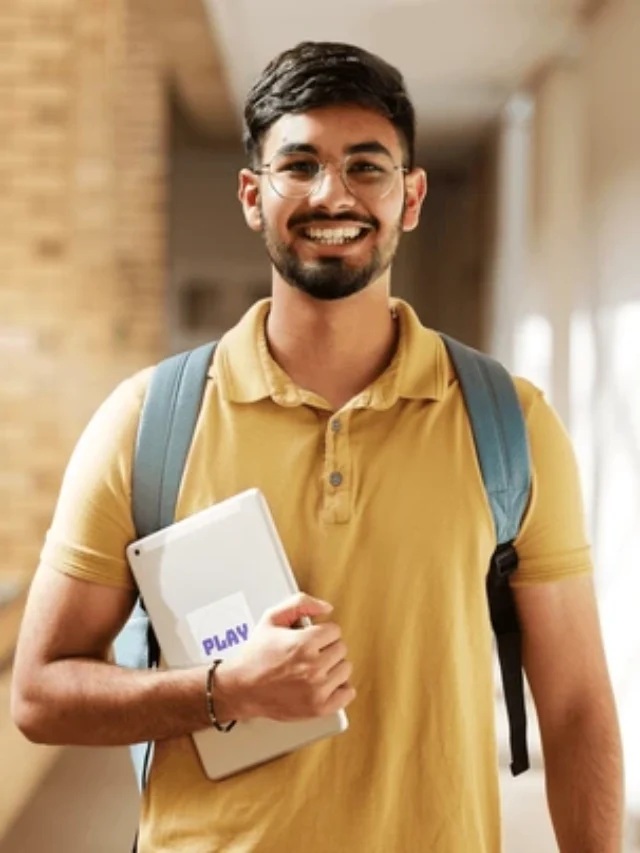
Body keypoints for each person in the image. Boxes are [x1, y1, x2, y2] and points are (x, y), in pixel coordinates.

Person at [11, 41, 624, 853]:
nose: (332, 193)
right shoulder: (144, 422)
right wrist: (224, 689)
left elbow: (577, 704)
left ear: (411, 197)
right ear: (251, 196)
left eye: (366, 167)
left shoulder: (508, 421)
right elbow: (40, 692)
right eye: (298, 165)